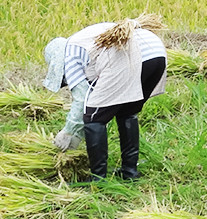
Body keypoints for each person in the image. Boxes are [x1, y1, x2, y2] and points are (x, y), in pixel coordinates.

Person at [43, 16, 168, 180]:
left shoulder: (70, 55)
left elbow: (82, 100)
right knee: (126, 112)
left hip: (131, 57)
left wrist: (69, 133)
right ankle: (129, 172)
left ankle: (98, 178)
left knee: (93, 118)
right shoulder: (84, 40)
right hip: (156, 53)